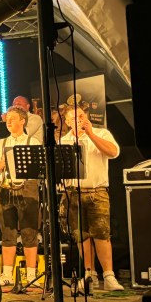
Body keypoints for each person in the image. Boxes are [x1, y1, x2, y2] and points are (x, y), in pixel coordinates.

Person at [58, 103, 124, 291]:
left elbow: (114, 152)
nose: (78, 120)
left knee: (102, 234)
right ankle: (89, 274)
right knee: (82, 236)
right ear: (68, 122)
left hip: (97, 192)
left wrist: (91, 134)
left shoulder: (102, 133)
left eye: (81, 116)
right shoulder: (64, 140)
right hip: (73, 193)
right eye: (73, 118)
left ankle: (109, 276)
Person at [0, 106, 42, 289]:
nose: (8, 121)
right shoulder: (1, 143)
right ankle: (7, 274)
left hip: (27, 188)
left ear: (22, 121)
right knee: (7, 233)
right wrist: (2, 163)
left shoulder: (32, 142)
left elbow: (39, 168)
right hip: (5, 190)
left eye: (12, 118)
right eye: (7, 118)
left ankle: (31, 275)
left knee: (29, 232)